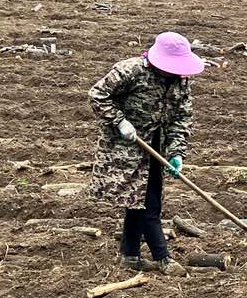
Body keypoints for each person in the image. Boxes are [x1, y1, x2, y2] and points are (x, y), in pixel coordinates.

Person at [88, 32, 205, 275]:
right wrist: (120, 122)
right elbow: (97, 94)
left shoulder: (180, 81)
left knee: (138, 200)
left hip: (156, 146)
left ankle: (129, 256)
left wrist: (177, 152)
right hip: (125, 149)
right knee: (147, 203)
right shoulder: (130, 70)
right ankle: (162, 257)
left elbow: (181, 118)